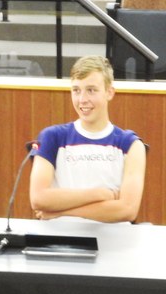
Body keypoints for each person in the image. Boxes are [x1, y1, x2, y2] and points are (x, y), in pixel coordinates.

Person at [29, 56, 147, 223]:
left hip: (113, 237)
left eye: (91, 90)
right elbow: (39, 198)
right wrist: (99, 194)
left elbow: (127, 210)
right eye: (76, 90)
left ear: (109, 92)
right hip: (61, 237)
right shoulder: (52, 137)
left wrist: (60, 212)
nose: (82, 99)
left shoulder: (131, 144)